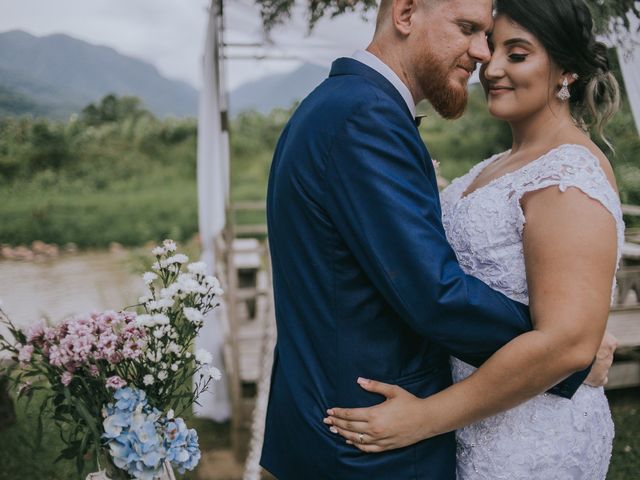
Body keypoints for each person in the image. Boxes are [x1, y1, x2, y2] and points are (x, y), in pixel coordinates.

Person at [260, 0, 613, 477]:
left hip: (490, 430)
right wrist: (569, 351)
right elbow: (436, 292)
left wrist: (568, 341)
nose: (483, 57)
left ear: (565, 72)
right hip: (367, 435)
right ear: (405, 14)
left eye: (510, 49)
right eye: (469, 30)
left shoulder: (344, 106)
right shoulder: (366, 117)